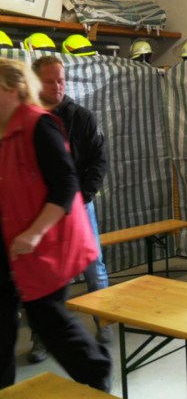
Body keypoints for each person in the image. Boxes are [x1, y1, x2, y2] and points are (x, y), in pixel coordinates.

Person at [0, 58, 112, 391]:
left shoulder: (39, 125)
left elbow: (66, 183)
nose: (57, 86)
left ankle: (97, 375)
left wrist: (34, 233)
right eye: (50, 81)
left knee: (52, 324)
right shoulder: (5, 131)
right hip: (12, 241)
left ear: (13, 89)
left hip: (44, 243)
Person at [28, 56, 110, 365]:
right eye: (50, 81)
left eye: (61, 80)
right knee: (42, 274)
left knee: (93, 265)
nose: (57, 86)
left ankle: (104, 321)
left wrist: (83, 197)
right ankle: (42, 337)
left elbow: (98, 160)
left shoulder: (81, 117)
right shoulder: (28, 120)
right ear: (36, 82)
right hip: (42, 209)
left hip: (78, 205)